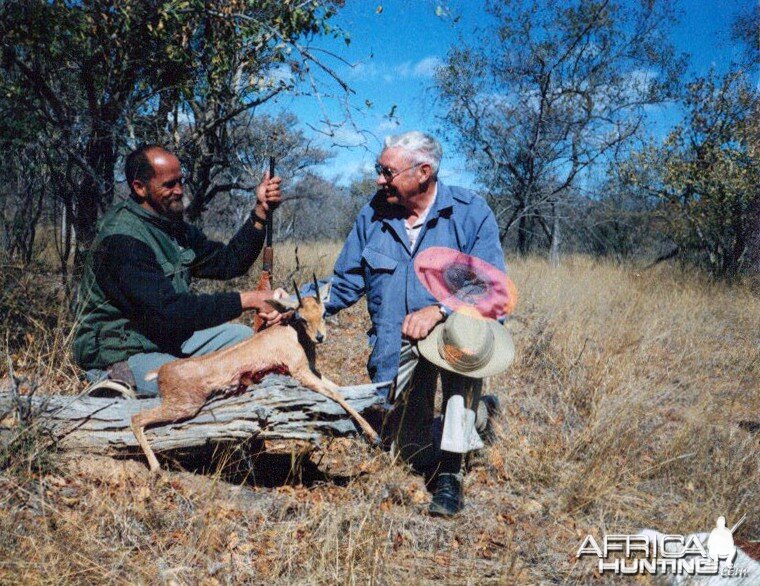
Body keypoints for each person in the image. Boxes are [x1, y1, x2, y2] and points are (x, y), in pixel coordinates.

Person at [315, 131, 508, 516]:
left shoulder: (471, 212)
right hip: (397, 343)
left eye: (386, 171)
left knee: (464, 348)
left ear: (423, 172)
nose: (378, 180)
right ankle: (480, 414)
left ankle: (452, 474)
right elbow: (345, 282)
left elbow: (492, 286)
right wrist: (295, 305)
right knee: (410, 452)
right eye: (378, 170)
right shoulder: (373, 213)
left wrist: (440, 311)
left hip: (452, 335)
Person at [73, 144, 283, 397]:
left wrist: (260, 212)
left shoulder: (171, 227)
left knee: (246, 341)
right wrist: (249, 300)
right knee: (208, 383)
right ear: (139, 187)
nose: (180, 191)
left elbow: (229, 262)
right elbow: (171, 310)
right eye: (169, 184)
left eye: (180, 181)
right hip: (123, 352)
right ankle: (114, 387)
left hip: (167, 338)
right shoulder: (121, 239)